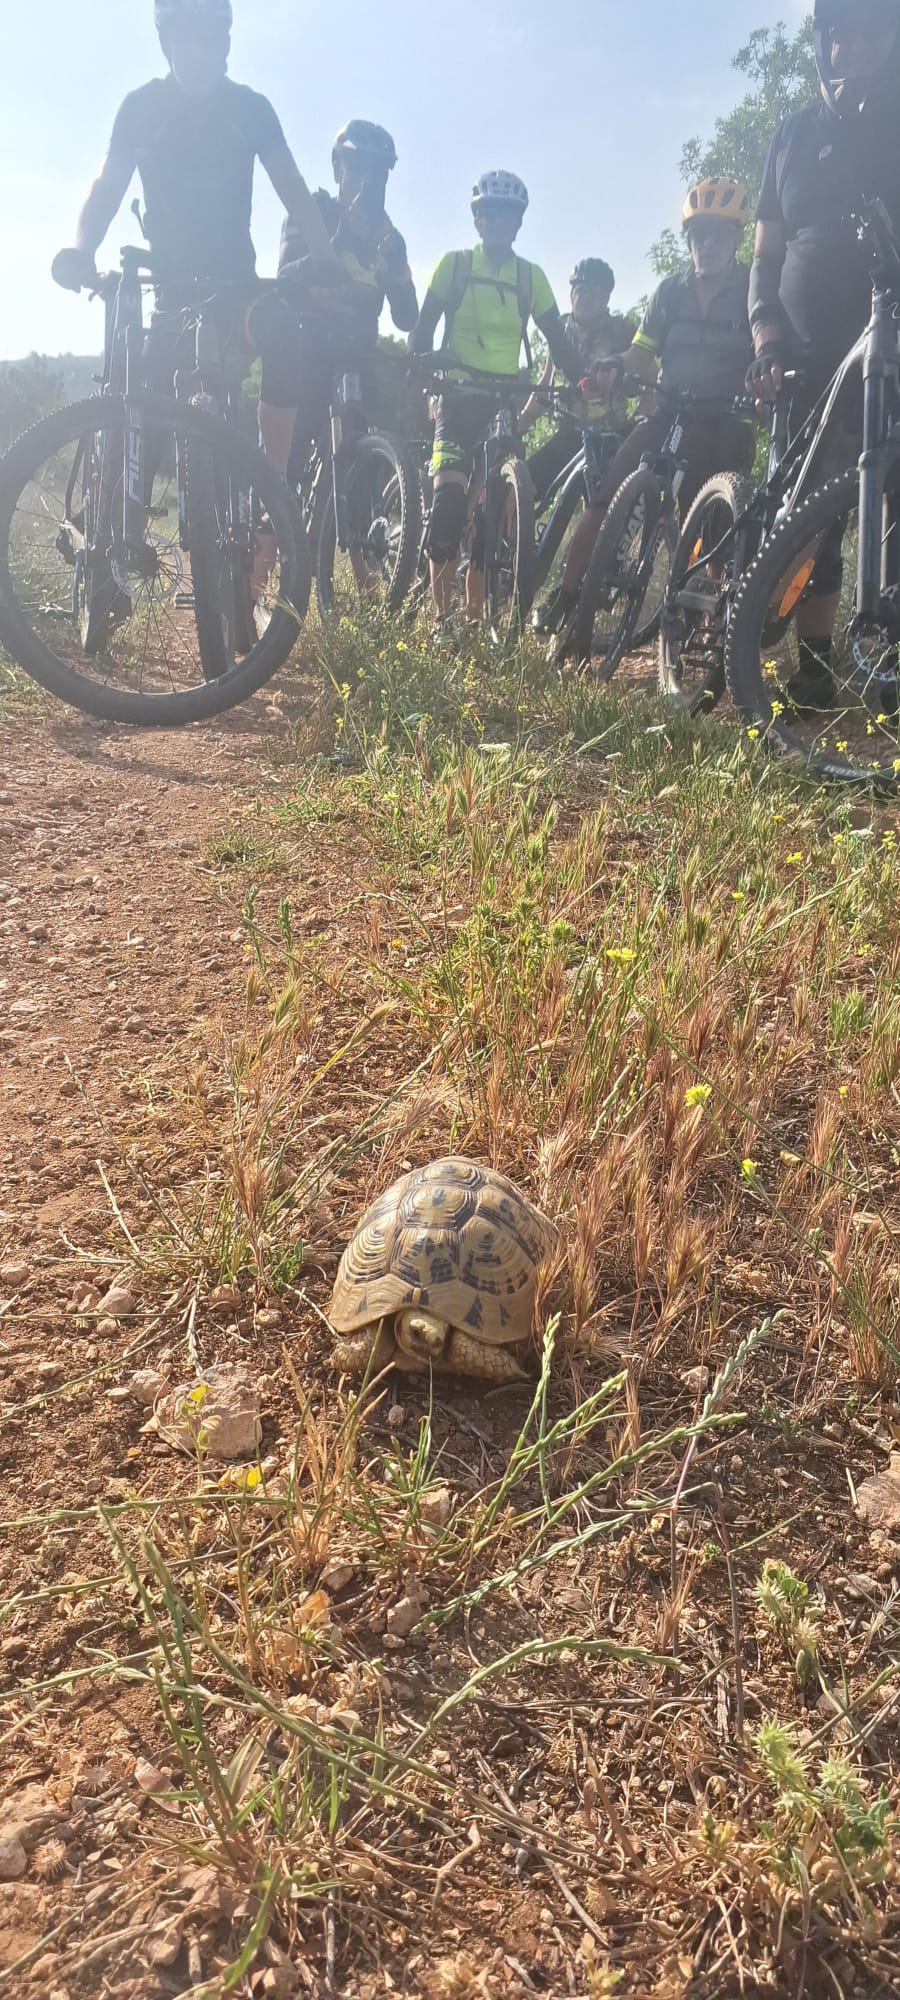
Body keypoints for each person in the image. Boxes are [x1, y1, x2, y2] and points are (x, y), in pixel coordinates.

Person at [51, 0, 337, 494]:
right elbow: (105, 189)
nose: (198, 51)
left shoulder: (251, 109)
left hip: (238, 290)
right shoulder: (139, 108)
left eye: (209, 39)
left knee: (283, 336)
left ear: (224, 45)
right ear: (167, 43)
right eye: (187, 38)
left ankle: (274, 487)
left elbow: (293, 187)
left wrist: (326, 257)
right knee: (145, 421)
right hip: (170, 292)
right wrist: (81, 248)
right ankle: (119, 542)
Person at [748, 0, 900, 712]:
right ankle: (812, 667)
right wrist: (764, 335)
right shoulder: (791, 136)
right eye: (843, 38)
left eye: (871, 36)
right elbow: (764, 256)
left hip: (891, 333)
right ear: (824, 47)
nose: (856, 49)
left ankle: (889, 668)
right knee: (815, 513)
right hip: (807, 347)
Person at [547, 177, 754, 646]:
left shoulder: (750, 286)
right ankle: (566, 593)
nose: (708, 245)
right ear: (689, 240)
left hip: (725, 420)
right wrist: (613, 365)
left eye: (719, 235)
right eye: (700, 235)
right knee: (607, 494)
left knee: (716, 533)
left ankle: (705, 635)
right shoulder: (669, 292)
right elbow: (642, 353)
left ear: (736, 239)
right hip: (670, 413)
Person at [408, 171, 582, 628]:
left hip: (502, 404)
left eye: (508, 215)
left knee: (492, 521)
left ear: (518, 223)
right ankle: (442, 621)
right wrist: (422, 364)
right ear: (478, 219)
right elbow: (422, 331)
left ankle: (477, 619)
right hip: (457, 398)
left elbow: (559, 345)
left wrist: (584, 379)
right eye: (490, 213)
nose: (499, 222)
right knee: (447, 508)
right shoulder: (454, 265)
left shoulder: (530, 277)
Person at [278, 120, 418, 488]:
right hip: (308, 348)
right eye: (357, 167)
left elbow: (407, 318)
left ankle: (360, 537)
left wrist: (398, 269)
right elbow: (284, 281)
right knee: (289, 454)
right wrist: (333, 247)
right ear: (337, 166)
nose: (366, 179)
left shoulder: (389, 237)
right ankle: (272, 530)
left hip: (359, 358)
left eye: (378, 172)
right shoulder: (314, 213)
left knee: (367, 465)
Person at [523, 258, 636, 635]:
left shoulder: (621, 331)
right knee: (524, 485)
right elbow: (544, 385)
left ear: (607, 296)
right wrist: (520, 427)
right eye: (576, 287)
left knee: (599, 515)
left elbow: (648, 367)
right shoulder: (561, 331)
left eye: (591, 290)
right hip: (567, 434)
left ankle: (571, 593)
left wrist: (646, 411)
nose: (581, 295)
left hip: (607, 438)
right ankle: (512, 566)